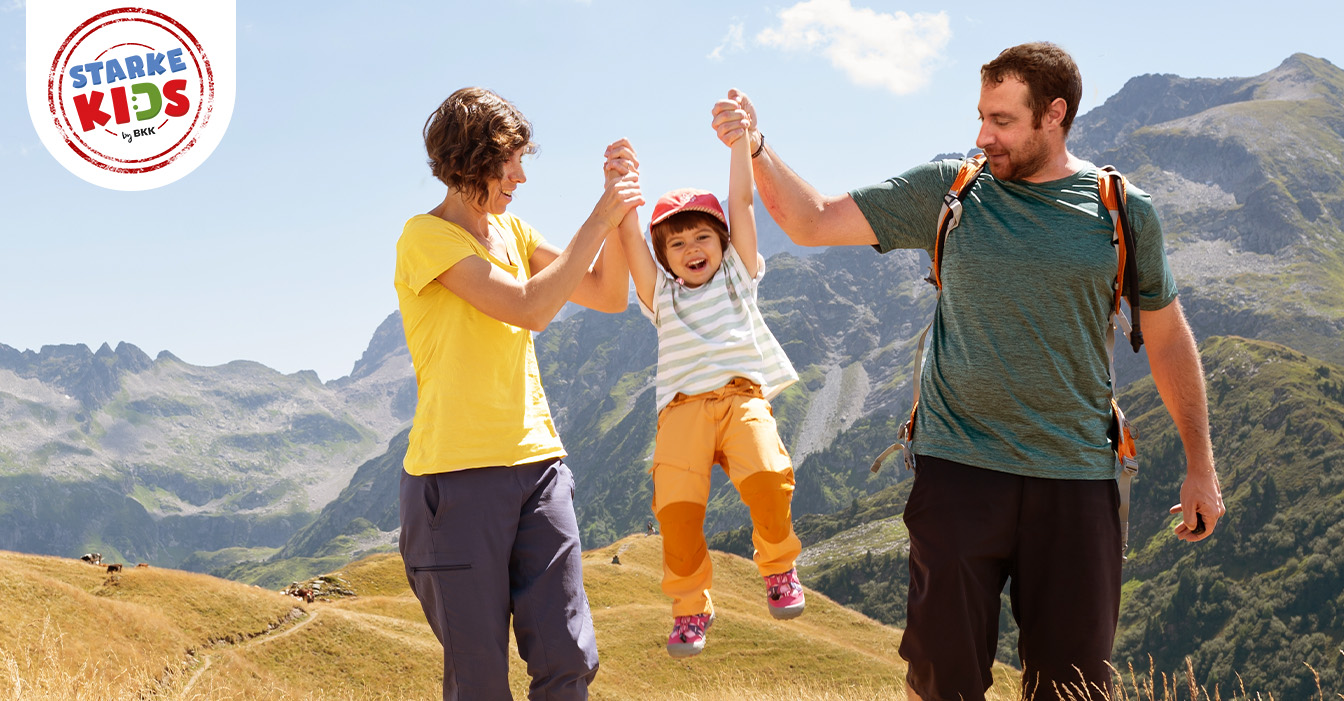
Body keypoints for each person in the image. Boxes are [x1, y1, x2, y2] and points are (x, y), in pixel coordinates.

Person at [710, 43, 1226, 700]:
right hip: (957, 477)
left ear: (1054, 116)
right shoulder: (951, 189)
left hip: (1076, 482)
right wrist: (757, 147)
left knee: (1073, 688)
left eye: (1003, 120)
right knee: (941, 683)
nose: (984, 134)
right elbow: (809, 220)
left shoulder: (1120, 211)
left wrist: (1200, 463)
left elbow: (1167, 336)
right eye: (981, 115)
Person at [394, 86, 642, 700]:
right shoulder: (426, 239)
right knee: (479, 681)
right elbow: (529, 307)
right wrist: (599, 216)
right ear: (470, 161)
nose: (521, 177)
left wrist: (623, 203)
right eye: (510, 162)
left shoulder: (514, 231)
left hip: (538, 468)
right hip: (454, 482)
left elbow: (610, 294)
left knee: (567, 656)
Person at [613, 110, 805, 659]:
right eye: (676, 243)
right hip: (681, 413)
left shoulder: (739, 275)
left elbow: (742, 203)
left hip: (741, 398)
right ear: (663, 257)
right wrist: (621, 184)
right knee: (676, 512)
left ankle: (778, 567)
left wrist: (741, 142)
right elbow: (629, 234)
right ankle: (690, 609)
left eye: (702, 235)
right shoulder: (660, 297)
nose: (691, 248)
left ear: (722, 242)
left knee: (768, 476)